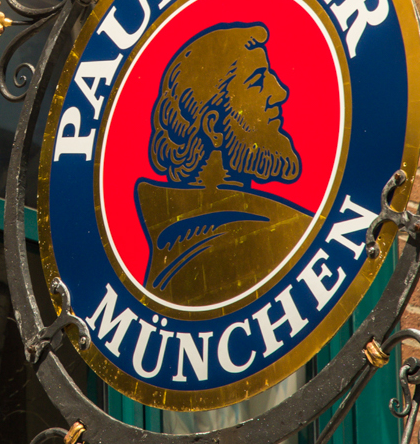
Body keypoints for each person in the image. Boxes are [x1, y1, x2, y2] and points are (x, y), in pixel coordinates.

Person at [135, 23, 321, 308]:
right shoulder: (254, 243)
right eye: (258, 81)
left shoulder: (182, 242)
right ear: (214, 127)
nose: (280, 92)